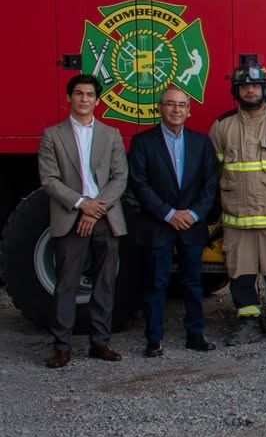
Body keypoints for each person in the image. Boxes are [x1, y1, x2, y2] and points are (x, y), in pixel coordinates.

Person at [38, 73, 129, 367]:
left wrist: (95, 208)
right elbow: (49, 180)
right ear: (69, 98)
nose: (84, 99)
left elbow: (120, 177)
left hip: (105, 216)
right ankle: (62, 346)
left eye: (90, 95)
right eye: (79, 94)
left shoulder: (111, 134)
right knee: (67, 283)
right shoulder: (52, 135)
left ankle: (100, 342)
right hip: (70, 215)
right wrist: (81, 204)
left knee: (104, 283)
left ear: (97, 100)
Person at [210, 62, 266, 345]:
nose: (250, 91)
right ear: (236, 91)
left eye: (255, 86)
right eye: (244, 87)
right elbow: (214, 168)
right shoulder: (222, 126)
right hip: (237, 218)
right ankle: (248, 322)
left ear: (264, 89)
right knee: (240, 273)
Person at [129, 84, 219, 357]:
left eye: (181, 105)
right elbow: (139, 183)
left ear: (189, 111)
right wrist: (168, 213)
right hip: (159, 224)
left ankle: (195, 334)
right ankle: (154, 338)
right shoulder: (143, 142)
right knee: (156, 283)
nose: (176, 109)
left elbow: (210, 185)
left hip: (192, 225)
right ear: (160, 108)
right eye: (170, 104)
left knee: (193, 283)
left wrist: (192, 214)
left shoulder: (202, 143)